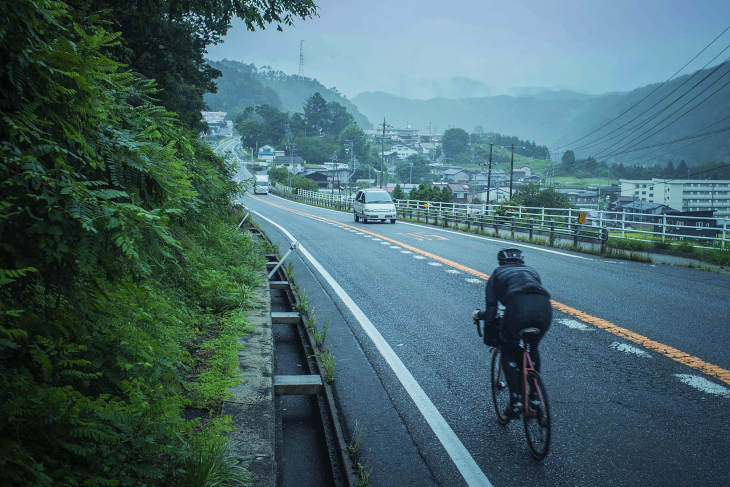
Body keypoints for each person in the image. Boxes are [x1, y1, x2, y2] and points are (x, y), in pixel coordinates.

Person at [472, 248, 552, 418]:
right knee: (532, 347)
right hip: (545, 308)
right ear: (520, 262)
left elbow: (492, 313)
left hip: (517, 309)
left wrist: (478, 315)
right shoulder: (532, 271)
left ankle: (515, 401)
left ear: (501, 263)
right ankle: (535, 396)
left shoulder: (497, 274)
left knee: (508, 350)